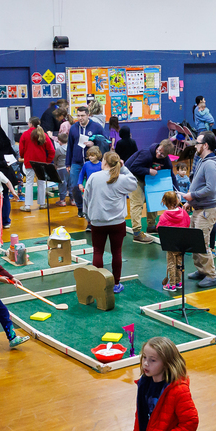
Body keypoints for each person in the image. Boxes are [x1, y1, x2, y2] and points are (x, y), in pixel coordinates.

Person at [84, 152, 137, 292]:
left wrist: (87, 216)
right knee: (117, 253)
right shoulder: (122, 178)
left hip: (97, 222)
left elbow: (86, 197)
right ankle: (116, 284)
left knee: (98, 252)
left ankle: (98, 284)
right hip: (117, 223)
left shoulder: (94, 177)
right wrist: (123, 167)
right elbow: (134, 183)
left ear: (105, 162)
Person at [183, 132, 216, 288]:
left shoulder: (211, 164)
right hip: (199, 208)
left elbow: (211, 189)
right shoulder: (203, 160)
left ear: (205, 145)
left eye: (197, 143)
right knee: (195, 241)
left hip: (207, 210)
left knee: (202, 243)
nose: (195, 145)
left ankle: (212, 275)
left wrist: (192, 195)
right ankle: (202, 270)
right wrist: (191, 202)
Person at [127, 139, 174, 243]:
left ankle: (151, 226)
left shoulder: (166, 160)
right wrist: (148, 171)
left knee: (154, 199)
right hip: (134, 177)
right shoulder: (146, 153)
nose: (159, 154)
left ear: (167, 155)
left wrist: (177, 192)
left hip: (148, 178)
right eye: (159, 151)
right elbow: (132, 167)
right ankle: (137, 233)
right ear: (158, 146)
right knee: (137, 203)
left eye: (162, 154)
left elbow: (171, 175)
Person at [65, 106, 105, 216]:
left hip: (93, 163)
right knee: (74, 186)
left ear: (88, 115)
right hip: (76, 162)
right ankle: (80, 207)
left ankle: (95, 209)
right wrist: (68, 163)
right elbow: (70, 146)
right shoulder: (73, 128)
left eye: (82, 115)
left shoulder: (97, 127)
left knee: (95, 187)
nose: (80, 118)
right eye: (78, 116)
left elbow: (105, 142)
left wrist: (94, 143)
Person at [18, 117, 55, 212]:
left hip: (29, 162)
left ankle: (27, 206)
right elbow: (51, 150)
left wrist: (23, 156)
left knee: (29, 183)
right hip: (41, 162)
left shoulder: (25, 134)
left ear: (30, 124)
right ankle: (42, 203)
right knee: (41, 183)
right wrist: (48, 161)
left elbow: (21, 149)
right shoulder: (44, 135)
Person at [158, 191, 190, 291]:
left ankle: (172, 284)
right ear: (177, 200)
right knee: (179, 262)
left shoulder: (164, 216)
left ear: (164, 202)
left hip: (171, 244)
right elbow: (187, 223)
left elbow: (160, 229)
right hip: (181, 243)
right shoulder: (183, 212)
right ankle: (179, 282)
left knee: (171, 263)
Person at [53, 133, 68, 207]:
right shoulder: (70, 148)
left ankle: (62, 200)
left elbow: (55, 158)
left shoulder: (59, 149)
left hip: (61, 167)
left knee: (62, 183)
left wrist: (55, 164)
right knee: (70, 183)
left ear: (59, 141)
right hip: (69, 167)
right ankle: (73, 199)